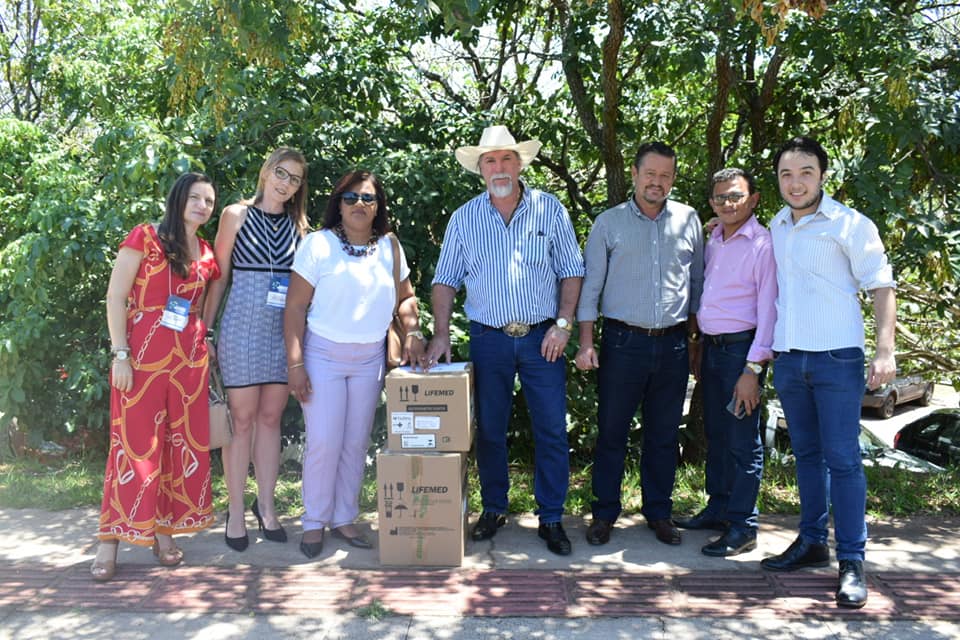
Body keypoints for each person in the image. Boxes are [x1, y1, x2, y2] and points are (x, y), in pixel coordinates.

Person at [423, 125, 584, 556]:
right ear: (480, 169)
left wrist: (564, 324)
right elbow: (444, 282)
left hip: (541, 337)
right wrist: (441, 334)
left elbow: (572, 269)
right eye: (490, 160)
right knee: (490, 430)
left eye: (506, 159)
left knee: (551, 429)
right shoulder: (464, 217)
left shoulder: (550, 210)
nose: (499, 167)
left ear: (520, 163)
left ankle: (551, 517)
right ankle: (494, 508)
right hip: (489, 338)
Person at [760, 136, 896, 609]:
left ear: (822, 175)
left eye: (805, 173)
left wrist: (885, 351)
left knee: (843, 459)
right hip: (790, 359)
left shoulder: (849, 224)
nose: (795, 183)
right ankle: (812, 540)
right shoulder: (776, 226)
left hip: (837, 358)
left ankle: (852, 561)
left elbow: (881, 285)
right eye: (786, 174)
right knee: (806, 456)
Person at [284, 170, 425, 559]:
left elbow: (406, 298)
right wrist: (296, 365)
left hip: (369, 359)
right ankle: (314, 521)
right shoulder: (318, 245)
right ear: (338, 203)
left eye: (367, 198)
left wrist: (413, 330)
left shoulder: (390, 247)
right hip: (323, 355)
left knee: (355, 443)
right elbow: (295, 306)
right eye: (350, 198)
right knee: (324, 442)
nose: (359, 205)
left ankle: (344, 517)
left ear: (378, 205)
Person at [91, 172, 221, 581]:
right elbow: (116, 296)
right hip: (141, 360)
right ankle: (109, 541)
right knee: (132, 446)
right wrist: (120, 354)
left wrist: (207, 340)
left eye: (210, 201)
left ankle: (164, 534)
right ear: (179, 199)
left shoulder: (205, 252)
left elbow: (204, 306)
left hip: (188, 363)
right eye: (196, 197)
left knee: (177, 446)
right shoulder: (144, 237)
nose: (203, 205)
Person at [575, 141, 704, 547]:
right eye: (650, 174)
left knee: (663, 434)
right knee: (612, 430)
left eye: (666, 176)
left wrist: (697, 341)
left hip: (673, 346)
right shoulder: (608, 223)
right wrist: (585, 341)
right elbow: (591, 286)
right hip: (622, 342)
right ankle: (604, 513)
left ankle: (659, 513)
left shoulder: (689, 219)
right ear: (633, 174)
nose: (657, 183)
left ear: (673, 179)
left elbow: (698, 283)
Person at [202, 148, 310, 552]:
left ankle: (266, 507)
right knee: (241, 421)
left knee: (270, 418)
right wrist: (206, 331)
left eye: (295, 178)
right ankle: (234, 512)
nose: (285, 183)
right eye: (281, 173)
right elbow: (219, 277)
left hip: (279, 334)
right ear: (266, 173)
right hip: (241, 328)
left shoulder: (300, 227)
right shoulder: (235, 215)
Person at [674, 168, 777, 557]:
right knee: (716, 434)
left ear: (753, 199)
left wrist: (753, 369)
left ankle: (743, 525)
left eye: (735, 196)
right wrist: (698, 343)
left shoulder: (763, 246)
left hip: (741, 353)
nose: (727, 203)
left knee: (741, 441)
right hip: (713, 349)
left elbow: (768, 312)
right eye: (719, 198)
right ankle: (718, 508)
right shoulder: (714, 238)